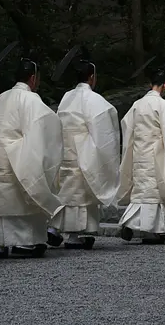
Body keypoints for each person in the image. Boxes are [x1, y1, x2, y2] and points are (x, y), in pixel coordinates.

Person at [0, 58, 63, 259]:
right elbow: (44, 127)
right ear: (33, 78)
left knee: (2, 197)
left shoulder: (2, 98)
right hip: (20, 154)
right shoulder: (32, 100)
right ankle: (26, 243)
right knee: (25, 192)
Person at [53, 59, 120, 249]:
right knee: (81, 195)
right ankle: (75, 235)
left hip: (65, 150)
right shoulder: (94, 100)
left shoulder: (67, 97)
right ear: (92, 77)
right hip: (83, 151)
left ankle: (55, 228)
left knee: (66, 192)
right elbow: (104, 133)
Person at [117, 66, 165, 244]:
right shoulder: (164, 106)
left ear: (151, 84)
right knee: (154, 192)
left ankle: (131, 221)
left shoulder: (137, 105)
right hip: (157, 152)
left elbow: (127, 126)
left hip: (139, 151)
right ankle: (152, 230)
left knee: (141, 190)